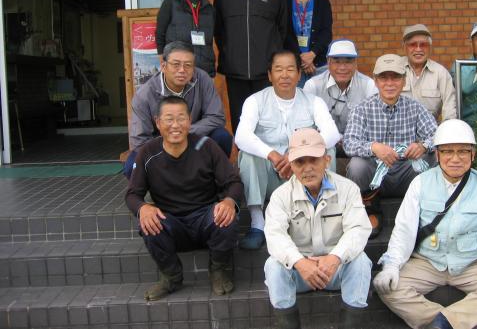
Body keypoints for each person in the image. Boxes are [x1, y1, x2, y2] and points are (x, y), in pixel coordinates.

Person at [373, 119, 477, 329]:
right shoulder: (420, 183)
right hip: (427, 262)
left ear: (473, 154)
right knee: (388, 287)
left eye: (462, 151)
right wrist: (391, 266)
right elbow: (404, 230)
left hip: (472, 263)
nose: (455, 158)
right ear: (437, 155)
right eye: (448, 151)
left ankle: (443, 323)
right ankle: (446, 321)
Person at [125, 96, 244, 300]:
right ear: (158, 122)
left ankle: (219, 270)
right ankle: (171, 276)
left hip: (205, 217)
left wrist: (228, 201)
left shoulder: (207, 146)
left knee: (227, 216)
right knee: (148, 222)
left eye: (181, 118)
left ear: (189, 121)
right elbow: (132, 194)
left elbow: (234, 182)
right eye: (169, 119)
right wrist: (143, 208)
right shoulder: (147, 152)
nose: (176, 125)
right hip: (171, 221)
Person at [264, 128, 372, 329]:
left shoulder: (348, 189)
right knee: (273, 266)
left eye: (314, 159)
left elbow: (358, 229)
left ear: (327, 160)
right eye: (299, 162)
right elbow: (274, 235)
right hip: (300, 272)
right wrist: (299, 262)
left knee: (361, 262)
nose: (307, 168)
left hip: (335, 269)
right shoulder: (281, 196)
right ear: (291, 165)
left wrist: (334, 258)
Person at [235, 50, 340, 250]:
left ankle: (324, 215)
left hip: (302, 173)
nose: (285, 75)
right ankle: (258, 223)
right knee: (247, 155)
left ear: (299, 75)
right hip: (270, 175)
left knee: (329, 151)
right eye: (279, 69)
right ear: (269, 75)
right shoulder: (255, 101)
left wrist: (296, 156)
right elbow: (241, 137)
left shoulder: (313, 101)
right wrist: (273, 155)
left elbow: (332, 134)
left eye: (291, 69)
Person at [343, 54, 437, 236]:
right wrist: (374, 147)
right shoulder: (362, 109)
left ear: (404, 81)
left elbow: (437, 136)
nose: (390, 83)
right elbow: (349, 143)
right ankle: (368, 210)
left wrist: (423, 146)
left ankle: (425, 209)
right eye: (383, 78)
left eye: (395, 77)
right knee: (356, 165)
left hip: (406, 172)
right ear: (375, 81)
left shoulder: (415, 107)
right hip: (375, 176)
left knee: (433, 157)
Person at [123, 41, 232, 178]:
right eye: (176, 64)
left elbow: (216, 117)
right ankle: (158, 191)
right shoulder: (144, 95)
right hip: (161, 147)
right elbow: (140, 141)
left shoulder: (202, 79)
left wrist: (183, 133)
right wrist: (169, 141)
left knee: (222, 137)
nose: (182, 70)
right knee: (132, 165)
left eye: (188, 65)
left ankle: (214, 185)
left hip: (195, 141)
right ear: (163, 66)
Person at [213, 0, 288, 133]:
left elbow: (282, 30)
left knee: (268, 121)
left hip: (266, 72)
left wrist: (273, 61)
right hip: (234, 71)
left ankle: (268, 161)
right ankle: (245, 163)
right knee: (241, 121)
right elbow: (218, 30)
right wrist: (229, 52)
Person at [303, 39, 377, 149]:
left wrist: (351, 139)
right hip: (323, 144)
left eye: (348, 61)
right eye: (337, 61)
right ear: (328, 62)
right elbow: (306, 124)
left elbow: (374, 124)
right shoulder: (312, 85)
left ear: (356, 63)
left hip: (358, 144)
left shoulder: (369, 85)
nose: (342, 67)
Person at [155, 0, 216, 77]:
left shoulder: (210, 9)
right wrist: (164, 63)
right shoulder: (170, 4)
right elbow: (160, 35)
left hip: (204, 73)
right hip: (178, 73)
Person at [285, 0, 333, 86]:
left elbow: (326, 32)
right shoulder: (284, 4)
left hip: (319, 65)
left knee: (321, 103)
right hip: (294, 66)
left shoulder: (322, 3)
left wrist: (312, 54)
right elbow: (284, 34)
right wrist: (301, 58)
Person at [399, 24, 457, 121]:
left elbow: (450, 109)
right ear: (404, 47)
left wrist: (447, 130)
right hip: (399, 132)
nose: (418, 49)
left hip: (430, 132)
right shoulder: (395, 69)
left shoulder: (440, 73)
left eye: (423, 45)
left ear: (430, 47)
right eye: (413, 45)